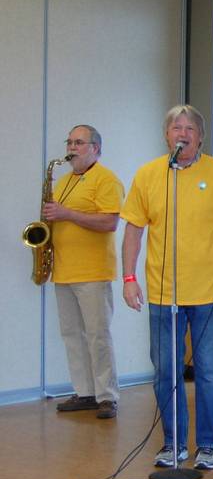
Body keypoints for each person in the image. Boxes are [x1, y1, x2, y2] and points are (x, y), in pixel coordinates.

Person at [121, 105, 213, 471]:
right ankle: (173, 443)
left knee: (209, 371)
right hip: (164, 293)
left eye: (189, 128)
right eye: (176, 127)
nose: (183, 133)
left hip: (210, 292)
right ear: (166, 136)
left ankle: (208, 445)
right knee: (166, 371)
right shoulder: (149, 175)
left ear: (201, 135)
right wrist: (129, 278)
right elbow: (133, 229)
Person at [47, 125, 124, 419]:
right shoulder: (64, 181)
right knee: (71, 335)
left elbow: (109, 223)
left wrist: (67, 214)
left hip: (93, 271)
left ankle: (107, 396)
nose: (72, 147)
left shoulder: (106, 180)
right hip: (64, 270)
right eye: (69, 142)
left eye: (79, 142)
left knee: (97, 335)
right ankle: (85, 392)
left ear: (95, 148)